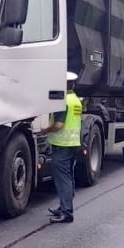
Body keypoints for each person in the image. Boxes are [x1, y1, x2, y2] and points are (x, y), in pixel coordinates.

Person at [44, 71, 83, 224]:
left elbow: (59, 125)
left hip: (62, 144)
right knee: (68, 177)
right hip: (73, 143)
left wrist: (45, 130)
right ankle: (64, 207)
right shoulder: (76, 100)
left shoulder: (63, 101)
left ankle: (66, 212)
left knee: (63, 179)